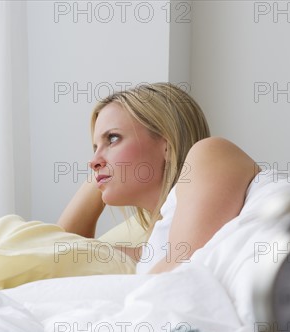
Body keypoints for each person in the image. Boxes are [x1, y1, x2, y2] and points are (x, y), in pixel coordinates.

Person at [58, 82, 261, 274]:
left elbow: (181, 271)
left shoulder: (211, 153)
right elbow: (63, 252)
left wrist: (106, 167)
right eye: (95, 147)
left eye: (112, 138)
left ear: (167, 144)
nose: (92, 161)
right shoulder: (152, 253)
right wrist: (102, 169)